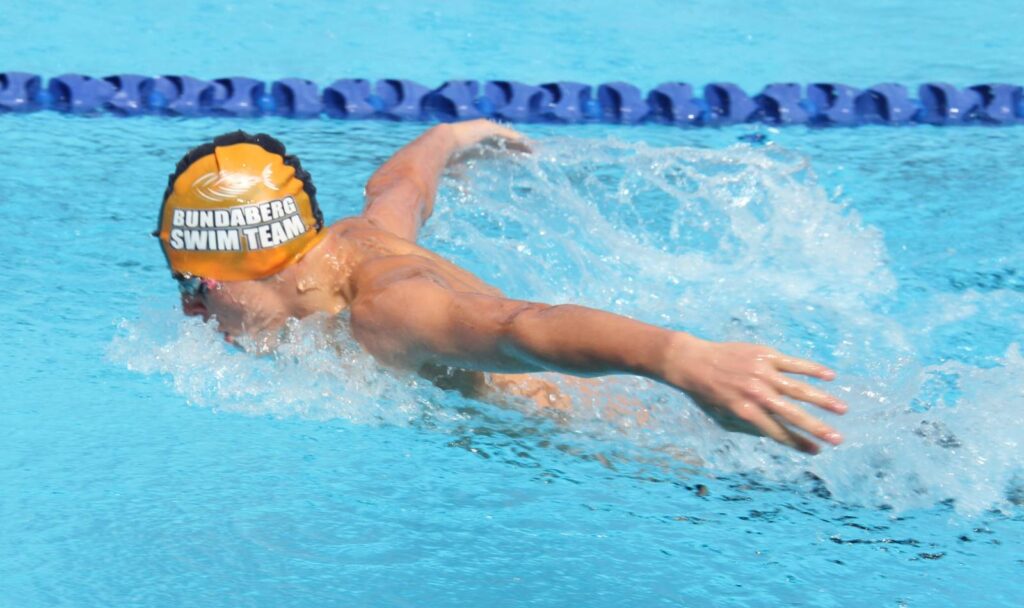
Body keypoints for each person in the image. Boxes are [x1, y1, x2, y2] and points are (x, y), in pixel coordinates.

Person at [156, 121, 847, 454]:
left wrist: (686, 361)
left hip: (663, 443)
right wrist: (457, 136)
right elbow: (402, 185)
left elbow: (521, 326)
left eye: (195, 283)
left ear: (251, 265)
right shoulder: (346, 244)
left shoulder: (385, 309)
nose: (189, 307)